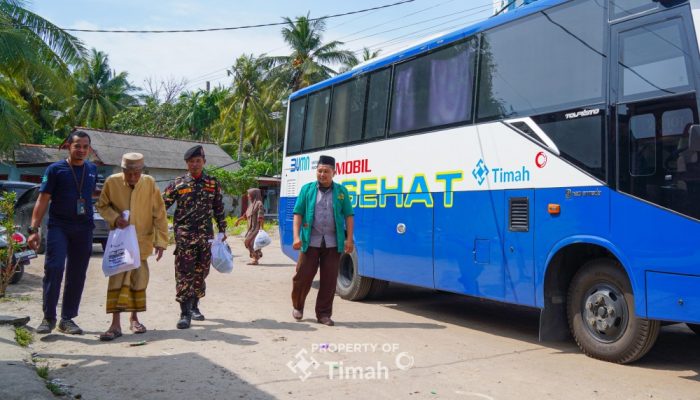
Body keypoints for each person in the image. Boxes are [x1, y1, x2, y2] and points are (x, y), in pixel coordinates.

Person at [27, 130, 98, 335]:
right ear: (68, 146)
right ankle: (49, 317)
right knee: (55, 267)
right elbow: (42, 200)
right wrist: (33, 230)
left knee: (77, 274)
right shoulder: (55, 169)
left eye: (85, 146)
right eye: (77, 146)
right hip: (60, 227)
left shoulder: (92, 169)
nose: (81, 150)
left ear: (89, 149)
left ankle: (67, 319)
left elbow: (91, 195)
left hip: (84, 228)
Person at [95, 153, 168, 341]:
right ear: (123, 170)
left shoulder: (149, 183)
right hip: (120, 242)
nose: (133, 177)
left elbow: (159, 213)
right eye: (129, 173)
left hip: (142, 242)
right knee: (117, 280)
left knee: (139, 281)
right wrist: (115, 218)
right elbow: (102, 206)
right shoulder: (112, 182)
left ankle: (134, 319)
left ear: (142, 171)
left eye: (137, 173)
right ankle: (115, 324)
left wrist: (161, 241)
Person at [162, 145, 226, 329]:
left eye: (198, 161)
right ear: (187, 164)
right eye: (191, 161)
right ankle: (184, 313)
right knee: (184, 273)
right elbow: (161, 205)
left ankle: (195, 305)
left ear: (204, 162)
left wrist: (222, 230)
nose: (195, 164)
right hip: (185, 236)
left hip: (206, 236)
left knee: (201, 271)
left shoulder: (212, 183)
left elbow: (218, 208)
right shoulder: (178, 184)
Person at [291, 155, 354, 326]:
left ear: (334, 172)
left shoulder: (341, 192)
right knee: (302, 276)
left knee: (329, 280)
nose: (322, 174)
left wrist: (349, 239)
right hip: (310, 241)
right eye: (319, 171)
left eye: (326, 171)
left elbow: (349, 215)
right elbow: (298, 213)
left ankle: (324, 314)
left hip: (333, 243)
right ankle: (298, 306)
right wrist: (296, 237)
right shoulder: (307, 190)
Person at [235, 188, 265, 265]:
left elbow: (261, 217)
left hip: (256, 228)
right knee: (252, 243)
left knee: (248, 242)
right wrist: (238, 220)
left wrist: (261, 229)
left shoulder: (259, 203)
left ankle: (255, 258)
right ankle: (256, 256)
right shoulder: (251, 205)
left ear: (254, 194)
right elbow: (245, 216)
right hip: (250, 229)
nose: (248, 196)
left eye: (249, 194)